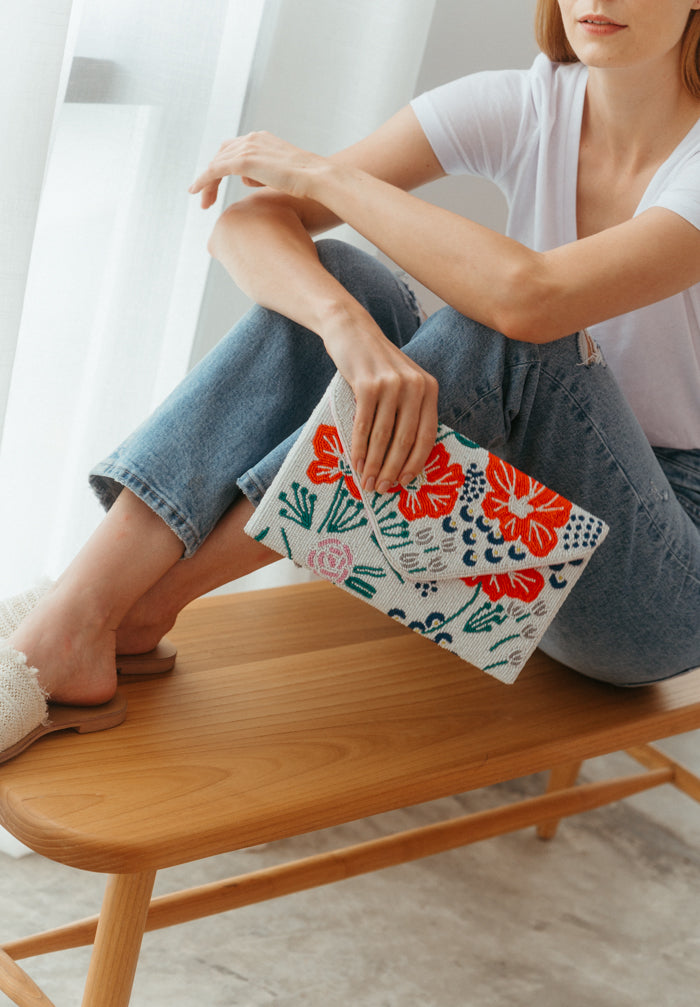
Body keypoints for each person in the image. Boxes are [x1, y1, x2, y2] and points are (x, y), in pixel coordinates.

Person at [1, 0, 699, 763]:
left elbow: (530, 299)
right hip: (515, 550)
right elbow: (245, 225)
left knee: (502, 334)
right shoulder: (528, 103)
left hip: (654, 596)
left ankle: (116, 608)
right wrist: (348, 331)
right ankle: (92, 610)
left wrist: (323, 175)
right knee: (337, 277)